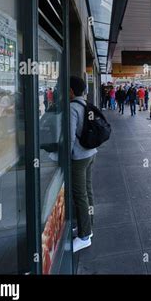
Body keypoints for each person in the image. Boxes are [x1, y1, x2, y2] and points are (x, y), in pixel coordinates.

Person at [69, 76, 97, 252]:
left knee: (80, 195)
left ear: (71, 91)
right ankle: (88, 226)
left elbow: (70, 137)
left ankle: (85, 236)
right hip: (91, 153)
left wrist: (62, 156)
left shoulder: (73, 108)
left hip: (79, 157)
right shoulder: (87, 104)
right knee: (87, 190)